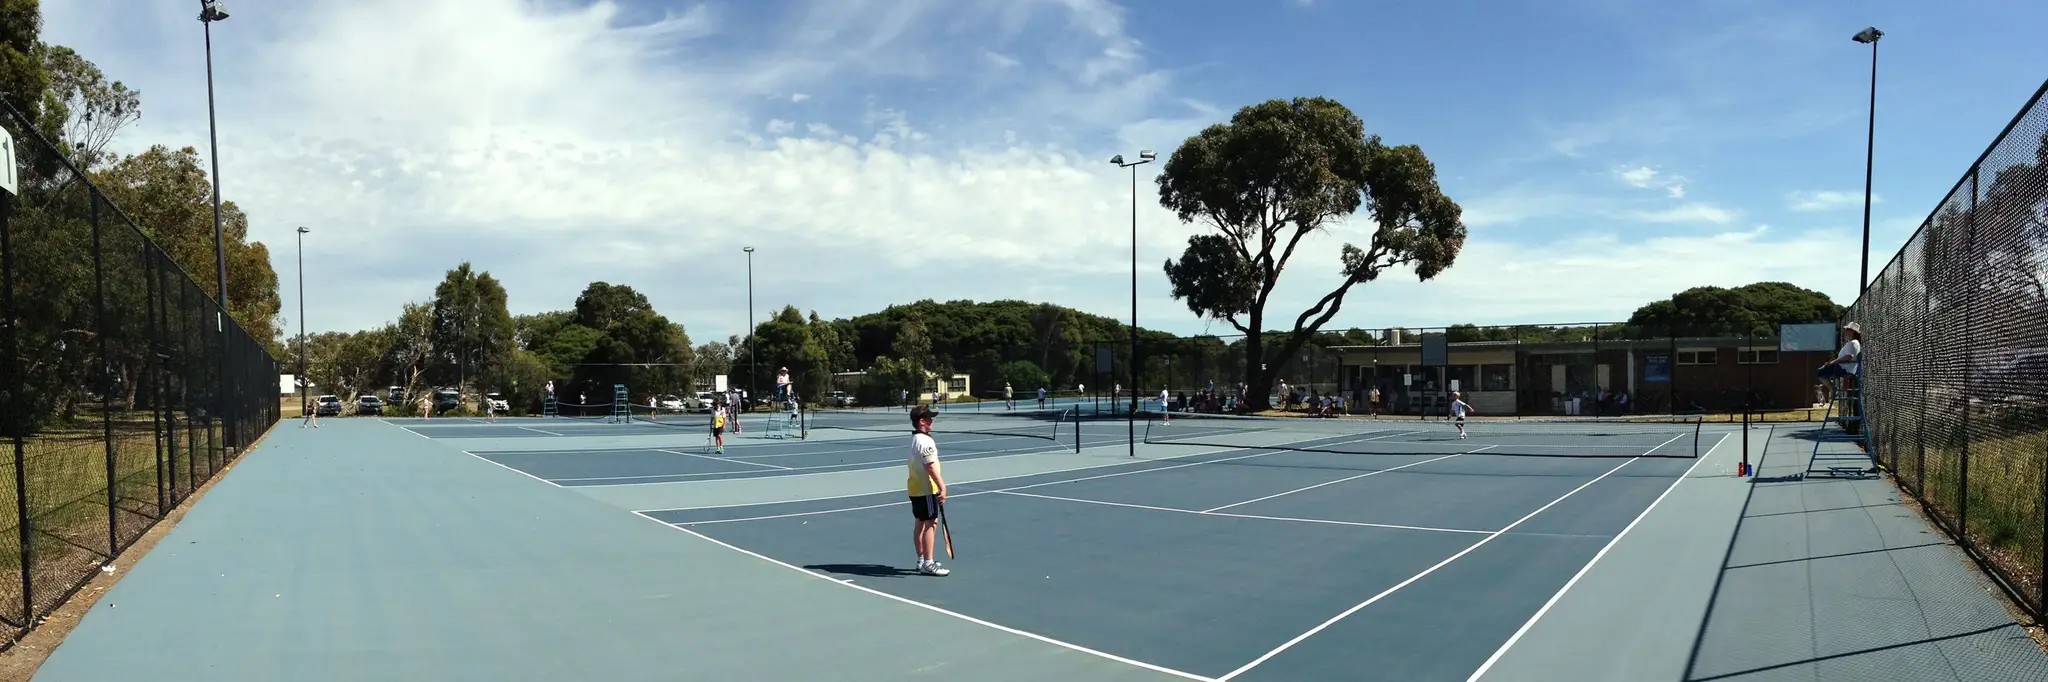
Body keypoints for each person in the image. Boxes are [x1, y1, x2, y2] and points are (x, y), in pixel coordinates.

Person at [906, 405, 950, 576]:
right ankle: (929, 563)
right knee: (931, 522)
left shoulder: (915, 439)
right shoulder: (925, 441)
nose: (932, 421)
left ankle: (922, 559)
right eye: (929, 418)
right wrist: (942, 487)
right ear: (921, 421)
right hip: (926, 489)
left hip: (915, 489)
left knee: (920, 523)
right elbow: (931, 466)